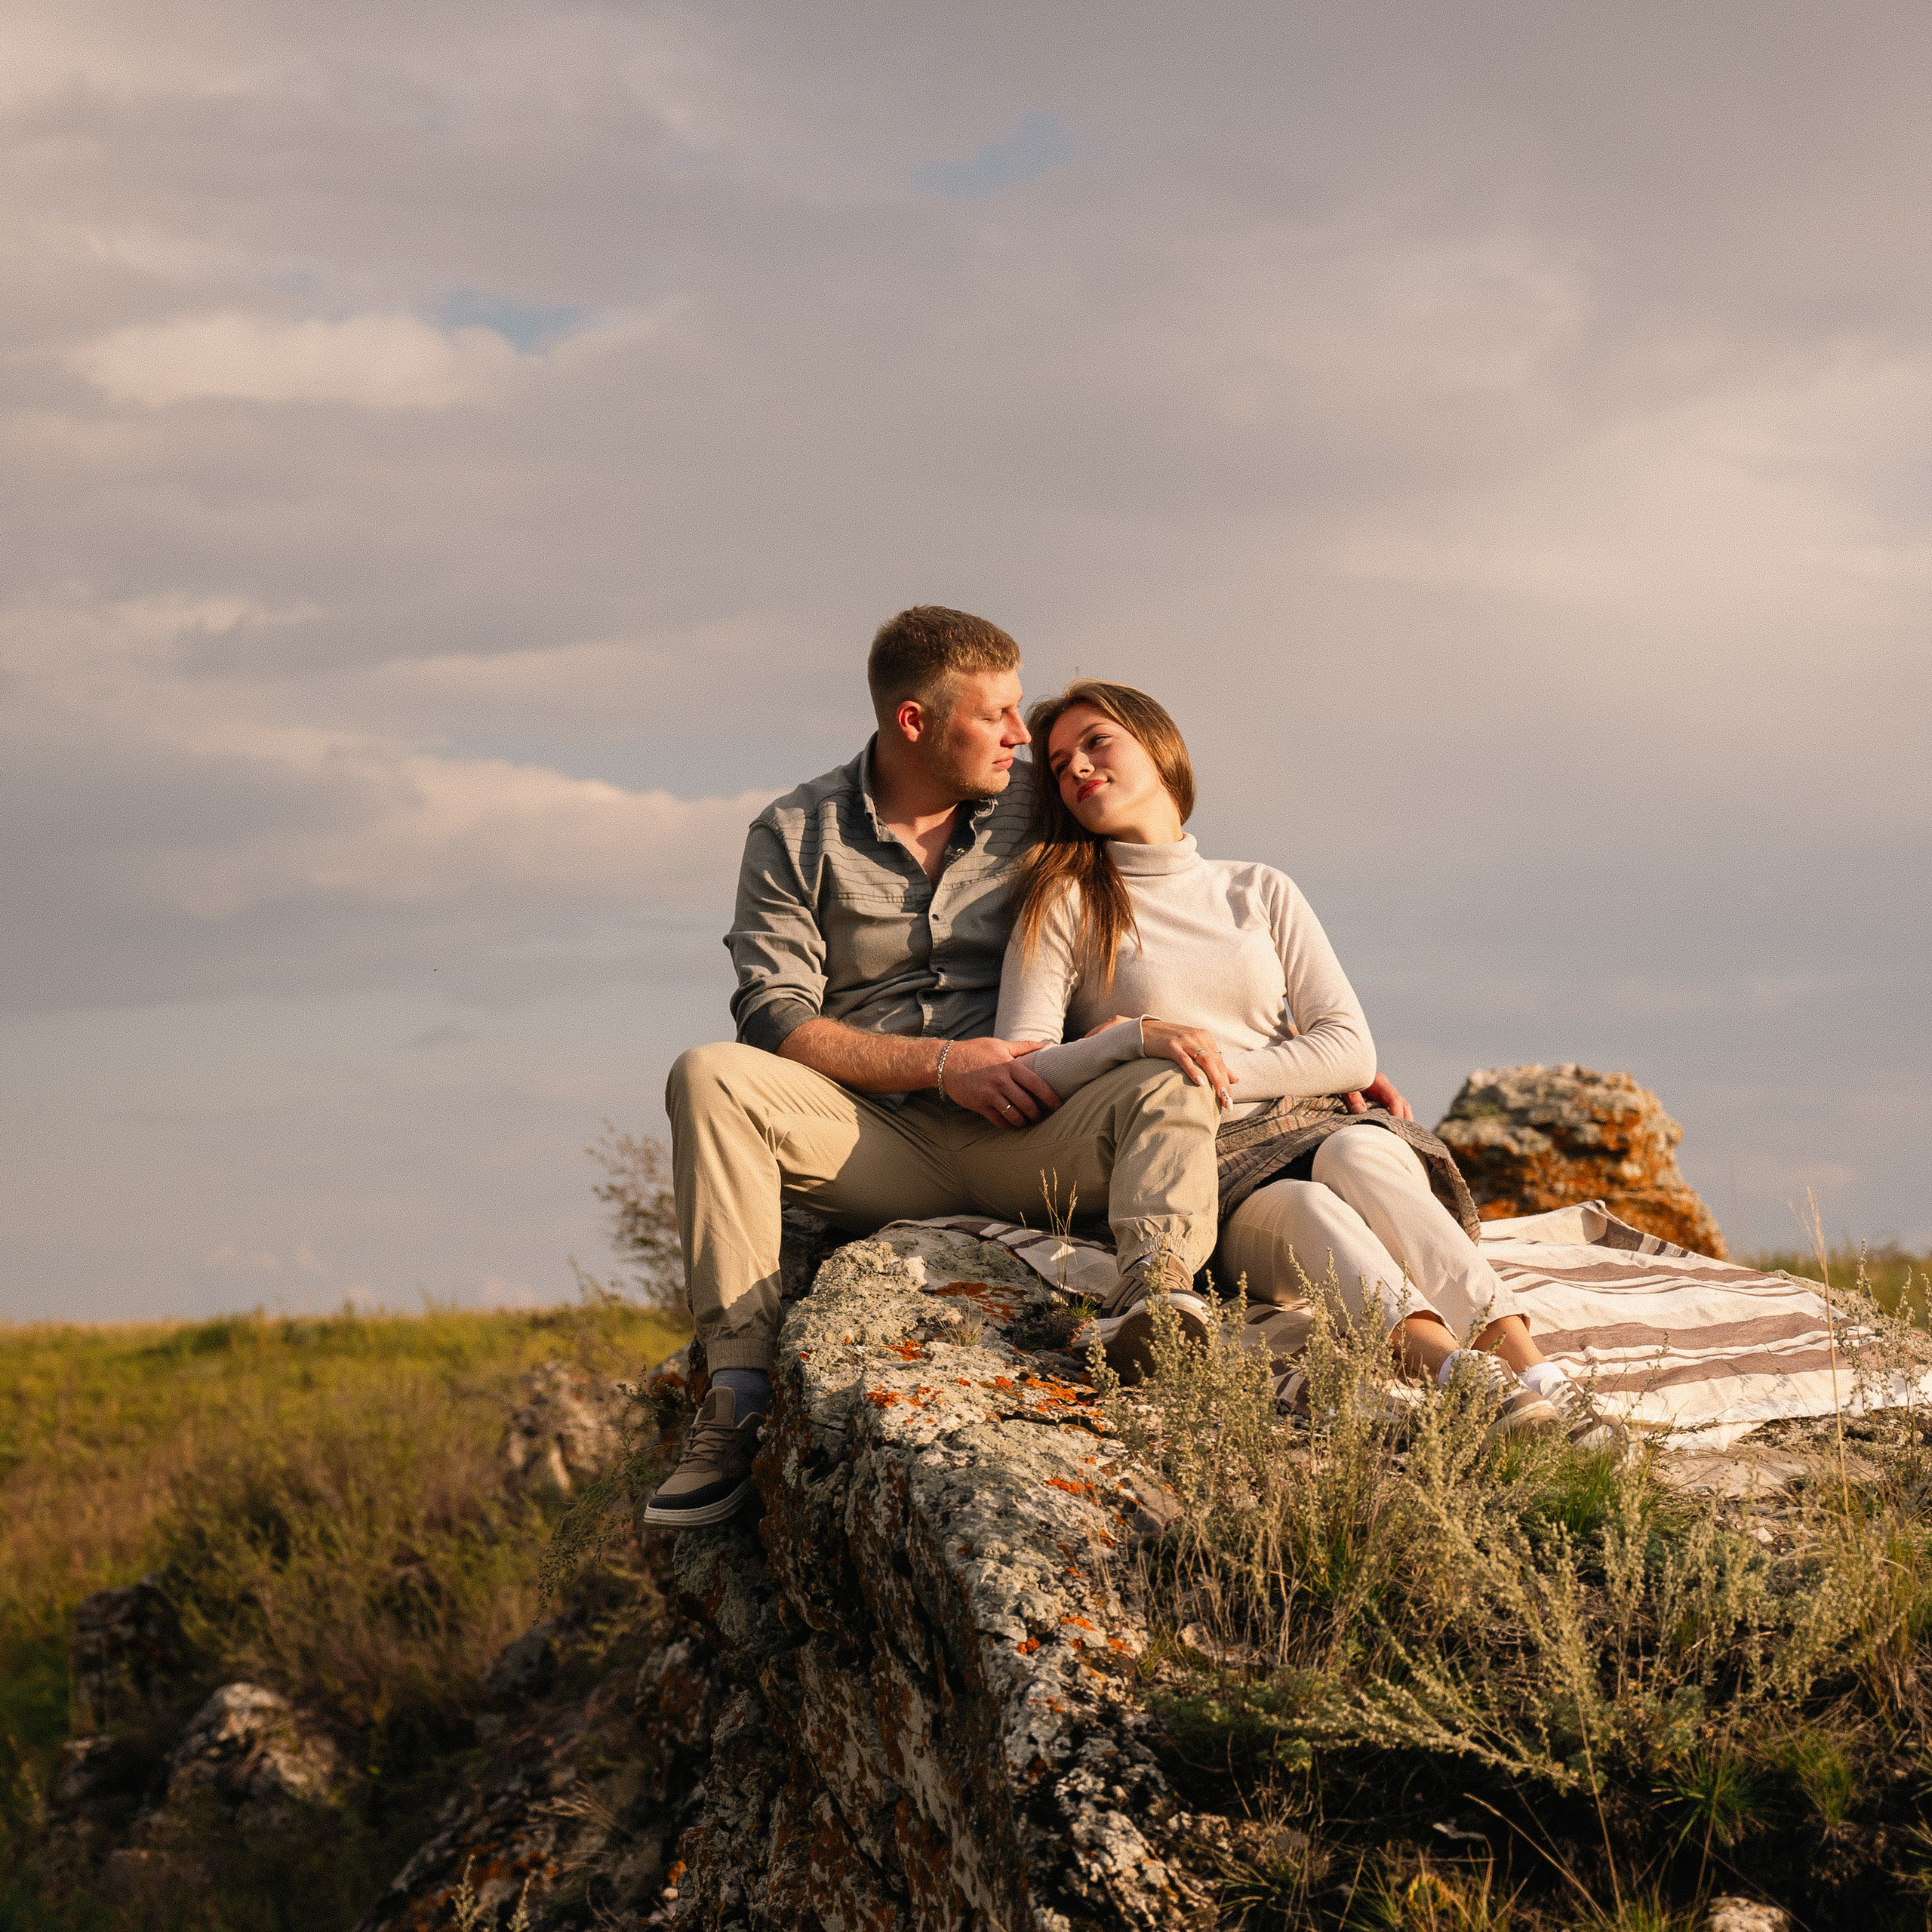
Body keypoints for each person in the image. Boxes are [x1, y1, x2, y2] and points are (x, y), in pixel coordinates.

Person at [645, 614, 1225, 1527]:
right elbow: (773, 1012)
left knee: (1168, 1074)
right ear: (914, 721)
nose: (1020, 734)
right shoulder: (794, 831)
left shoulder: (1040, 800)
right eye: (995, 715)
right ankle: (737, 1397)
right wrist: (943, 1065)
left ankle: (1155, 1306)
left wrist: (1296, 1048)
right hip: (873, 1140)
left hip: (1037, 1128)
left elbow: (1172, 890)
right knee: (709, 1074)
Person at [995, 678, 1623, 1450]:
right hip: (1196, 1169)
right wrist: (1137, 1041)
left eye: (1097, 743)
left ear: (1158, 746)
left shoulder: (1258, 888)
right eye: (1061, 766)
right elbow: (1026, 1068)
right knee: (1307, 1209)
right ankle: (1464, 1381)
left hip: (1310, 1129)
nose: (1079, 769)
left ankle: (1542, 1379)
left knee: (1361, 1150)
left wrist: (1213, 1064)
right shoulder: (1064, 901)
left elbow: (1348, 1047)